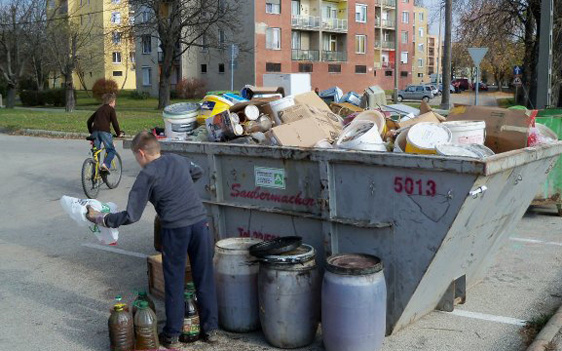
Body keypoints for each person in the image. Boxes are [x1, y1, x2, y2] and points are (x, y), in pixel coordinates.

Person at [86, 131, 219, 348]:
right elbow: (198, 171)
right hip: (200, 224)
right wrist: (179, 188)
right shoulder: (177, 159)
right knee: (204, 277)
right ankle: (211, 330)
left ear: (141, 153)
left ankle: (173, 334)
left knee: (175, 281)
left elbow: (131, 215)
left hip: (175, 230)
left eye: (135, 157)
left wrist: (102, 218)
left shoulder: (147, 175)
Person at [86, 92, 123, 172]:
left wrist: (91, 132)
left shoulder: (99, 109)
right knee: (111, 150)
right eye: (114, 102)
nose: (115, 104)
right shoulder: (111, 109)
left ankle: (94, 175)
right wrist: (119, 133)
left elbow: (89, 121)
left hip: (95, 132)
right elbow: (115, 123)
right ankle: (105, 164)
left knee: (96, 153)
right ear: (111, 102)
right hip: (104, 132)